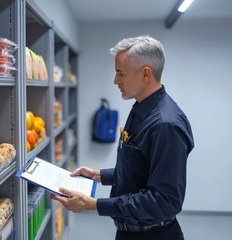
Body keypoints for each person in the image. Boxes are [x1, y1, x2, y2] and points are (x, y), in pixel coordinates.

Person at [50, 35, 194, 240]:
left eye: (121, 73)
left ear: (146, 74)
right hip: (128, 230)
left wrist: (94, 205)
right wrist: (98, 175)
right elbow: (138, 167)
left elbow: (164, 200)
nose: (115, 80)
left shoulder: (166, 125)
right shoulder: (140, 108)